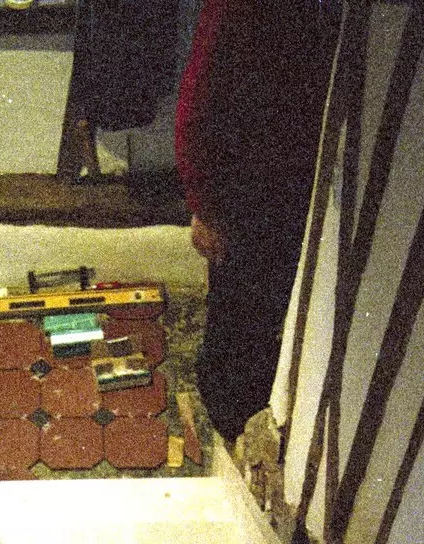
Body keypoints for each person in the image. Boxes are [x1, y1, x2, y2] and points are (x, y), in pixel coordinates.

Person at [174, 0, 340, 442]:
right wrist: (205, 206)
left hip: (294, 179)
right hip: (246, 189)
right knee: (242, 311)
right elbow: (197, 103)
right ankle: (230, 421)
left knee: (267, 309)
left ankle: (253, 409)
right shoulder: (238, 7)